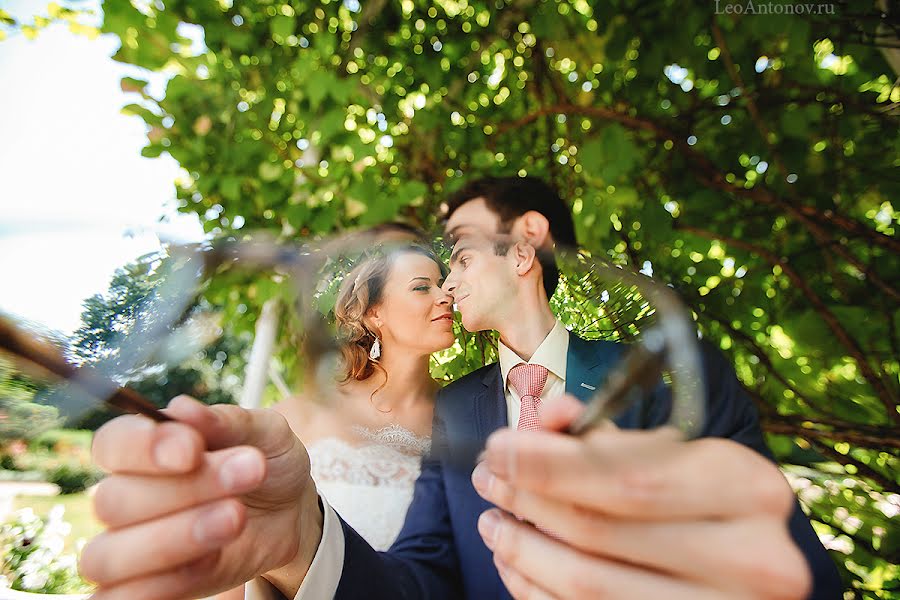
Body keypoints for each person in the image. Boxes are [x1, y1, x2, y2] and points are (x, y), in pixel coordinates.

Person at [80, 176, 841, 600]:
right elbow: (421, 581)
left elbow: (803, 571)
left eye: (461, 251)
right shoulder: (454, 409)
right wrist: (302, 539)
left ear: (526, 245)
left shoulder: (672, 371)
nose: (447, 278)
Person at [214, 239, 455, 600]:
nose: (445, 296)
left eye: (443, 284)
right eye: (422, 287)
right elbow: (240, 557)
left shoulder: (466, 412)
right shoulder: (304, 412)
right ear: (376, 314)